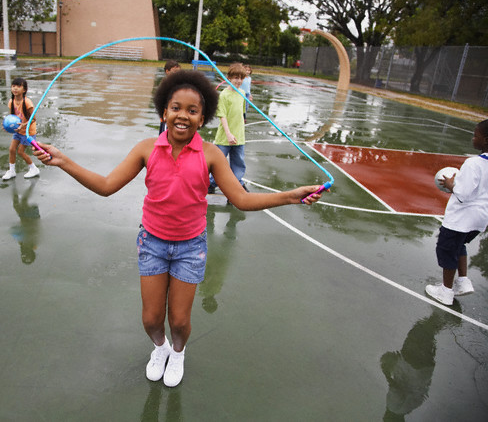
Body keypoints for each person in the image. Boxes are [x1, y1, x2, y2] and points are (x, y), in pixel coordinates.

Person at [34, 70, 323, 387]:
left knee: (180, 320)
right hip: (152, 243)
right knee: (151, 319)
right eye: (176, 108)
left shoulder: (211, 154)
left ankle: (179, 351)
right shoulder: (146, 149)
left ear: (203, 118)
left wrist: (288, 196)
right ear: (164, 112)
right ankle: (160, 348)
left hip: (190, 247)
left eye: (192, 110)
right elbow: (106, 186)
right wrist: (63, 161)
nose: (182, 115)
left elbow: (240, 199)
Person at [426, 119, 488, 305]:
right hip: (480, 218)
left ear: (485, 139)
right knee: (459, 245)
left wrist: (452, 185)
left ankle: (445, 291)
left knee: (446, 249)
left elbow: (464, 193)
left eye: (475, 135)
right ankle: (463, 281)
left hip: (461, 218)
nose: (472, 138)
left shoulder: (473, 164)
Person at [208, 63, 248, 195]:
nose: (239, 81)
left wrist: (239, 131)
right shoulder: (224, 95)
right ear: (229, 78)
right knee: (219, 161)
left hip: (239, 136)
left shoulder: (242, 93)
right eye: (236, 77)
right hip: (225, 136)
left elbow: (242, 114)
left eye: (241, 78)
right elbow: (222, 116)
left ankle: (236, 186)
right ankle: (212, 183)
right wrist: (229, 134)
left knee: (238, 163)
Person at [2, 77, 40, 180]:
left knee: (20, 152)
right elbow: (11, 118)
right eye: (13, 86)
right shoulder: (11, 102)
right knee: (12, 149)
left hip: (28, 132)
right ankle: (11, 171)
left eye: (18, 86)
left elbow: (33, 119)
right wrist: (7, 126)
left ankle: (34, 168)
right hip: (19, 130)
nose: (15, 88)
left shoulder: (27, 102)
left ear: (24, 90)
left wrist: (23, 125)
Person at [158, 60, 181, 135]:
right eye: (174, 72)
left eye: (179, 72)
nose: (177, 74)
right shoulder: (165, 84)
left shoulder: (179, 84)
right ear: (167, 71)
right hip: (166, 118)